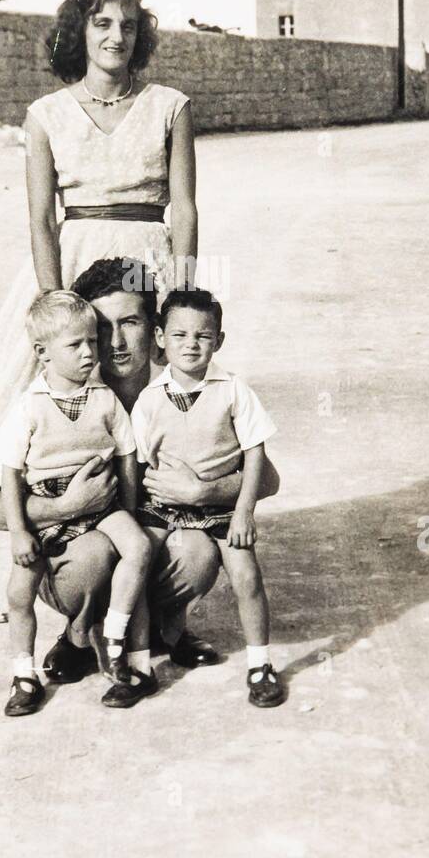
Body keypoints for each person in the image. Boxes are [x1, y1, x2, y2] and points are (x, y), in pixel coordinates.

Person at [0, 0, 197, 503]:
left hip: (146, 258)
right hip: (75, 256)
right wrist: (54, 298)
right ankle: (66, 513)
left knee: (143, 376)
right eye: (103, 24)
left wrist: (178, 293)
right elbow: (42, 217)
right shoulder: (46, 114)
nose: (117, 37)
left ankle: (151, 508)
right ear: (80, 32)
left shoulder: (170, 107)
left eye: (129, 26)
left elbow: (186, 208)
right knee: (69, 378)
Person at [0, 258, 281, 683]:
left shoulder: (181, 385)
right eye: (103, 327)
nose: (117, 341)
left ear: (155, 330)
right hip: (77, 547)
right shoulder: (55, 395)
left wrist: (204, 491)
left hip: (151, 534)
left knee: (195, 551)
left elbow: (267, 479)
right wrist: (66, 504)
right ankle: (81, 633)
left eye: (131, 322)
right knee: (93, 555)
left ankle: (166, 627)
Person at [0, 292, 156, 715]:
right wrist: (21, 531)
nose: (89, 353)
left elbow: (127, 456)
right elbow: (10, 472)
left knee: (138, 548)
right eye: (75, 345)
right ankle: (23, 675)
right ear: (42, 353)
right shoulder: (29, 406)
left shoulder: (104, 398)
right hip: (48, 504)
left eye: (91, 343)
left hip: (103, 505)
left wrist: (130, 511)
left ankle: (116, 640)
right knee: (17, 593)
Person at [131, 288, 286, 708]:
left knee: (247, 576)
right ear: (160, 337)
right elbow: (143, 465)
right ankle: (139, 667)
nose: (191, 344)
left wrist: (243, 512)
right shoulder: (148, 400)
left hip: (220, 507)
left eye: (203, 335)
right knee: (136, 565)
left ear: (218, 340)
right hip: (164, 504)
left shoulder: (234, 390)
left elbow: (255, 452)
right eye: (179, 335)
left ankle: (260, 665)